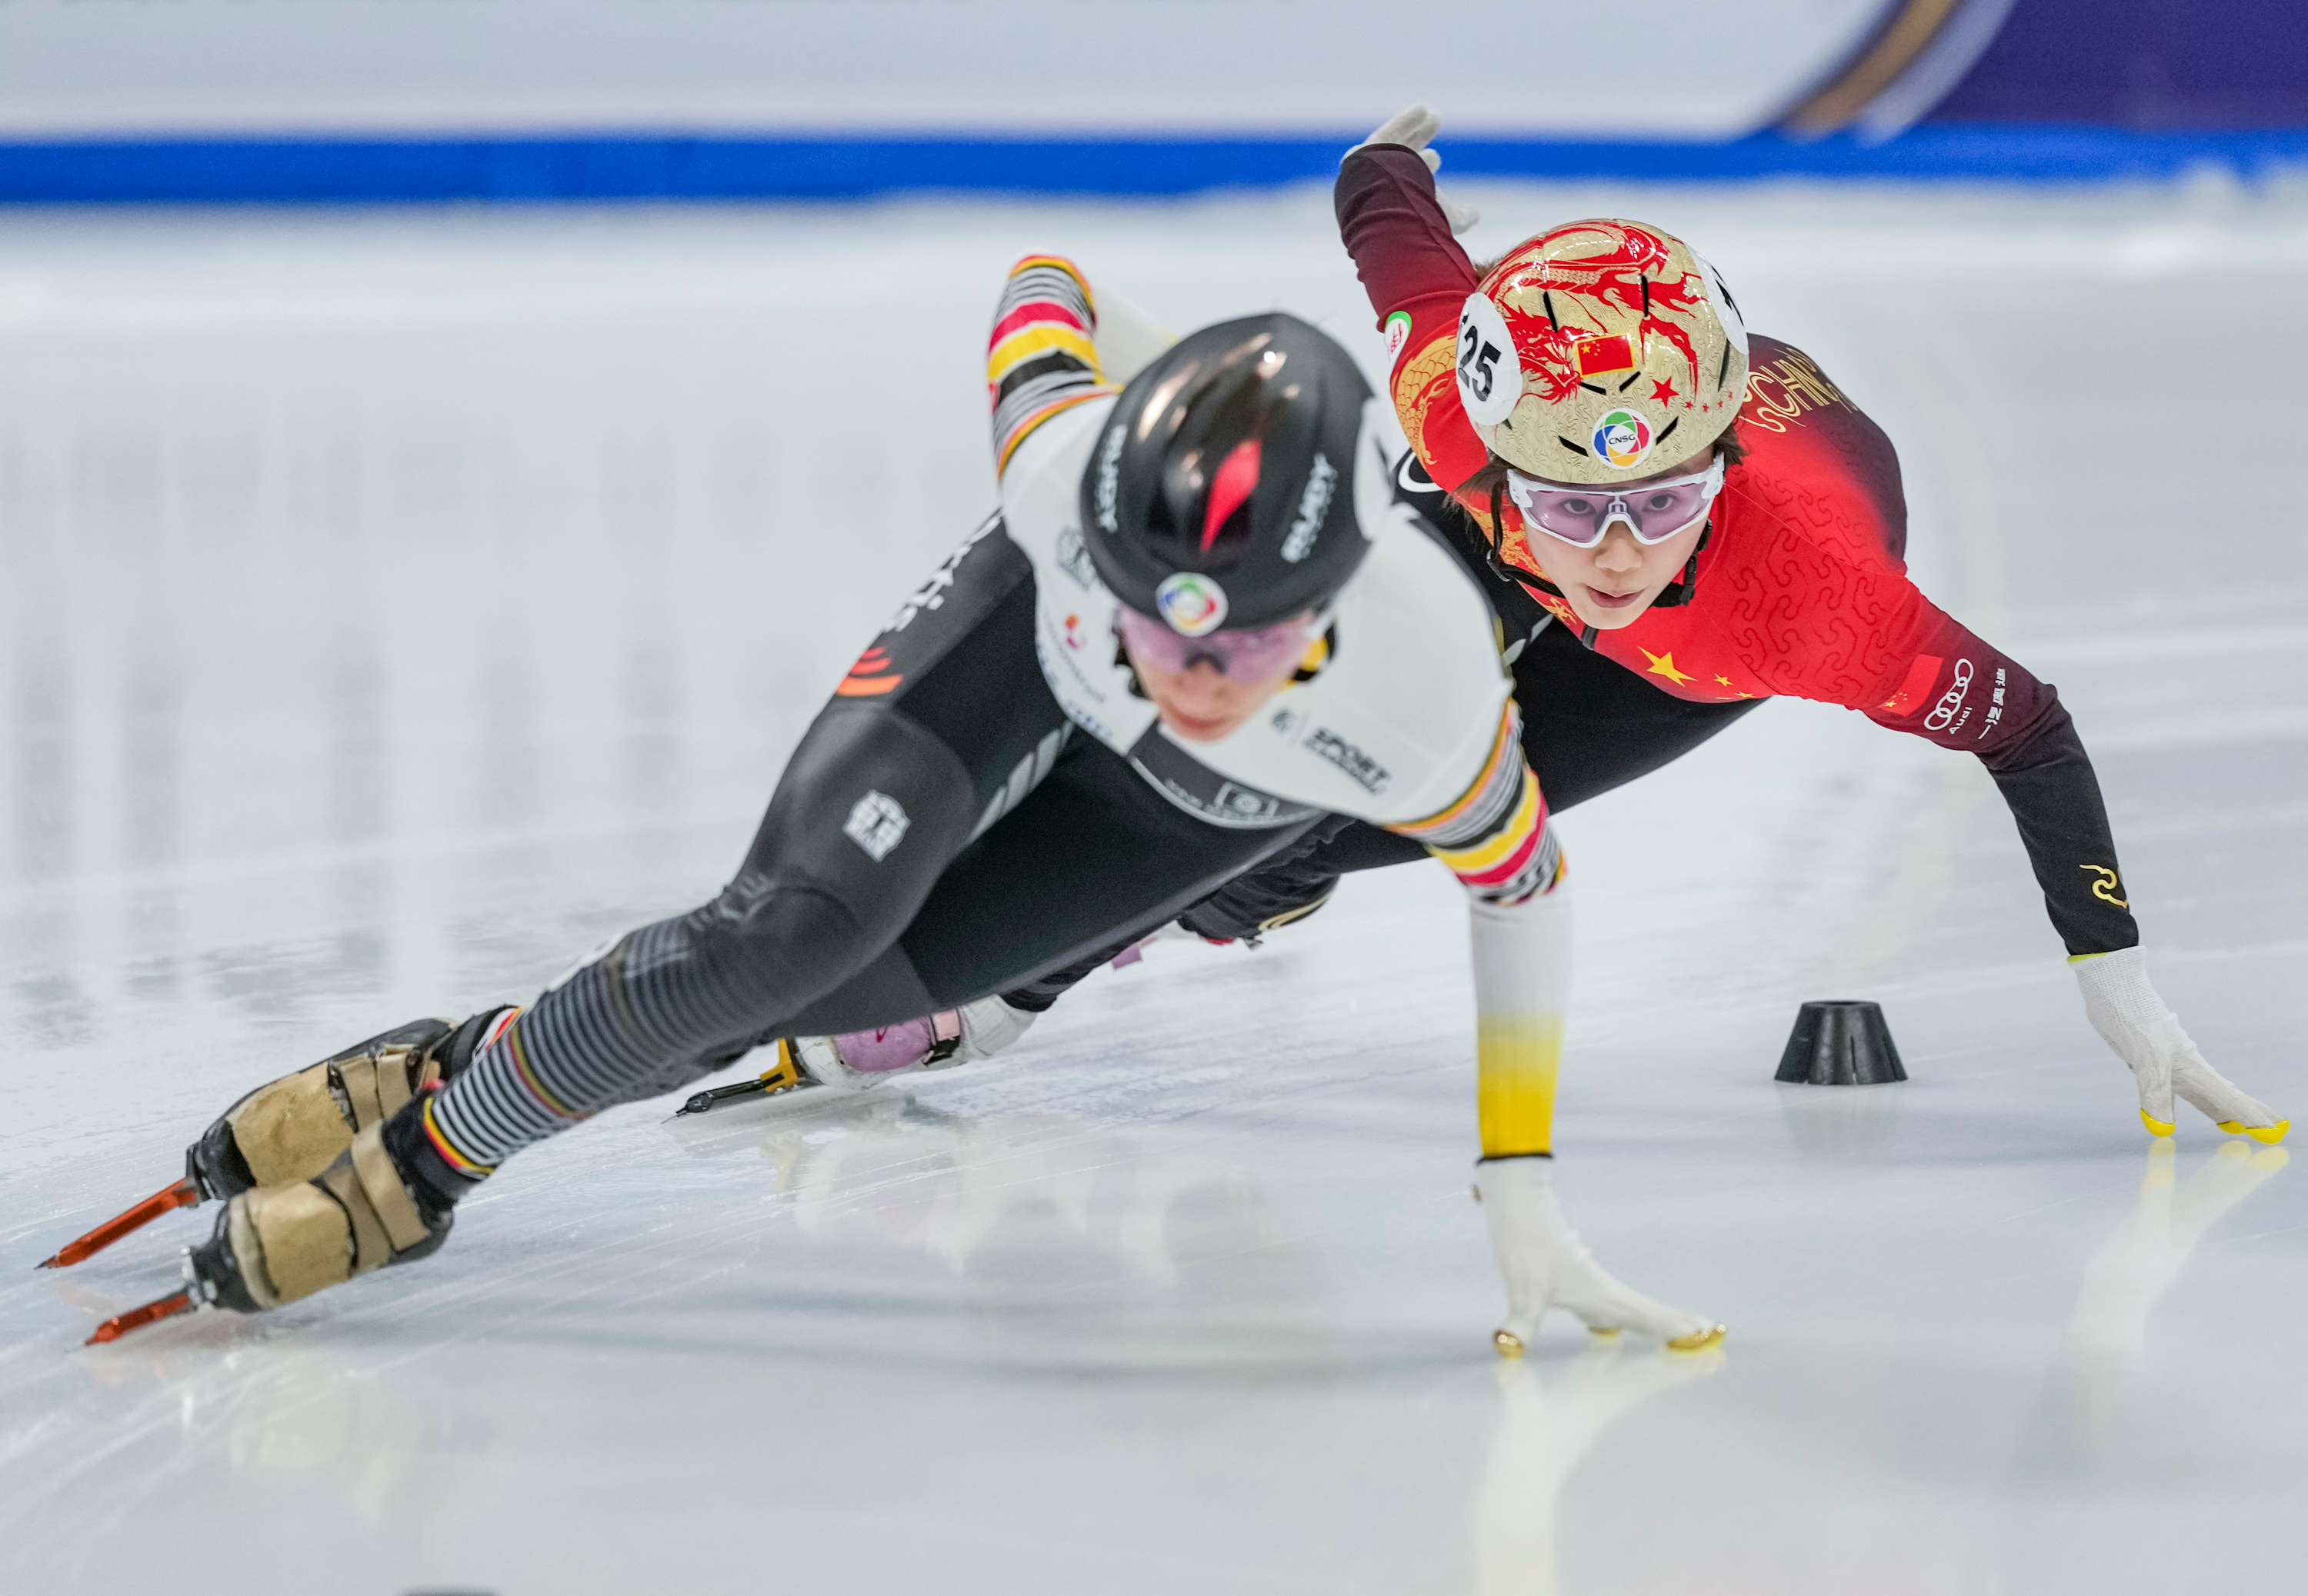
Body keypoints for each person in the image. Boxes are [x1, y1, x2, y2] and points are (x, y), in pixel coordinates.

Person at [71, 255, 1721, 1355]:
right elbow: (1046, 285)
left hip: (1199, 816)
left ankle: (460, 1061)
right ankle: (425, 1168)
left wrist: (1520, 1175)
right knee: (783, 935)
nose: (1190, 672)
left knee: (836, 1000)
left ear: (1352, 585)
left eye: (1255, 638)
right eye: (1155, 611)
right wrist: (1136, 424)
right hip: (1021, 644)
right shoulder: (1055, 468)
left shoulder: (1432, 692)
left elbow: (1529, 896)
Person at [817, 107, 2286, 1159]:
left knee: (1332, 832)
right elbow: (1391, 236)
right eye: (1579, 514)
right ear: (1493, 454)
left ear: (1716, 467)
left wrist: (2115, 969)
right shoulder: (1462, 413)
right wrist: (1389, 160)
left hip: (1729, 626)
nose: (1619, 558)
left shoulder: (1823, 614)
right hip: (1519, 525)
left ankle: (1053, 971)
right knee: (1308, 727)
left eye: (1661, 502)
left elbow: (2029, 732)